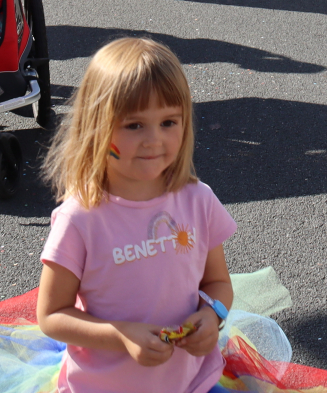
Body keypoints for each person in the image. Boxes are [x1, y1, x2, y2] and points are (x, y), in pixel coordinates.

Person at [35, 37, 236, 391]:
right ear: (96, 127)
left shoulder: (198, 200)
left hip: (192, 382)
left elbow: (218, 283)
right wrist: (121, 335)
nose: (153, 140)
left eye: (168, 122)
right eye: (134, 125)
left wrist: (212, 314)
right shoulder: (80, 219)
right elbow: (51, 315)